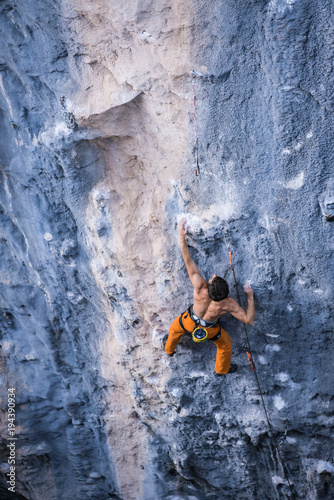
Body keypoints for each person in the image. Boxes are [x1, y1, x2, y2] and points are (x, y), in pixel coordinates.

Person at [164, 218, 255, 375]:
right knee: (225, 345)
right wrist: (250, 297)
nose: (212, 276)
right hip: (210, 330)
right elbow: (249, 320)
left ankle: (169, 350)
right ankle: (221, 370)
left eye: (213, 278)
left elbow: (188, 260)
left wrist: (181, 235)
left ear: (209, 285)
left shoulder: (200, 288)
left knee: (174, 329)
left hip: (189, 322)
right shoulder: (228, 303)